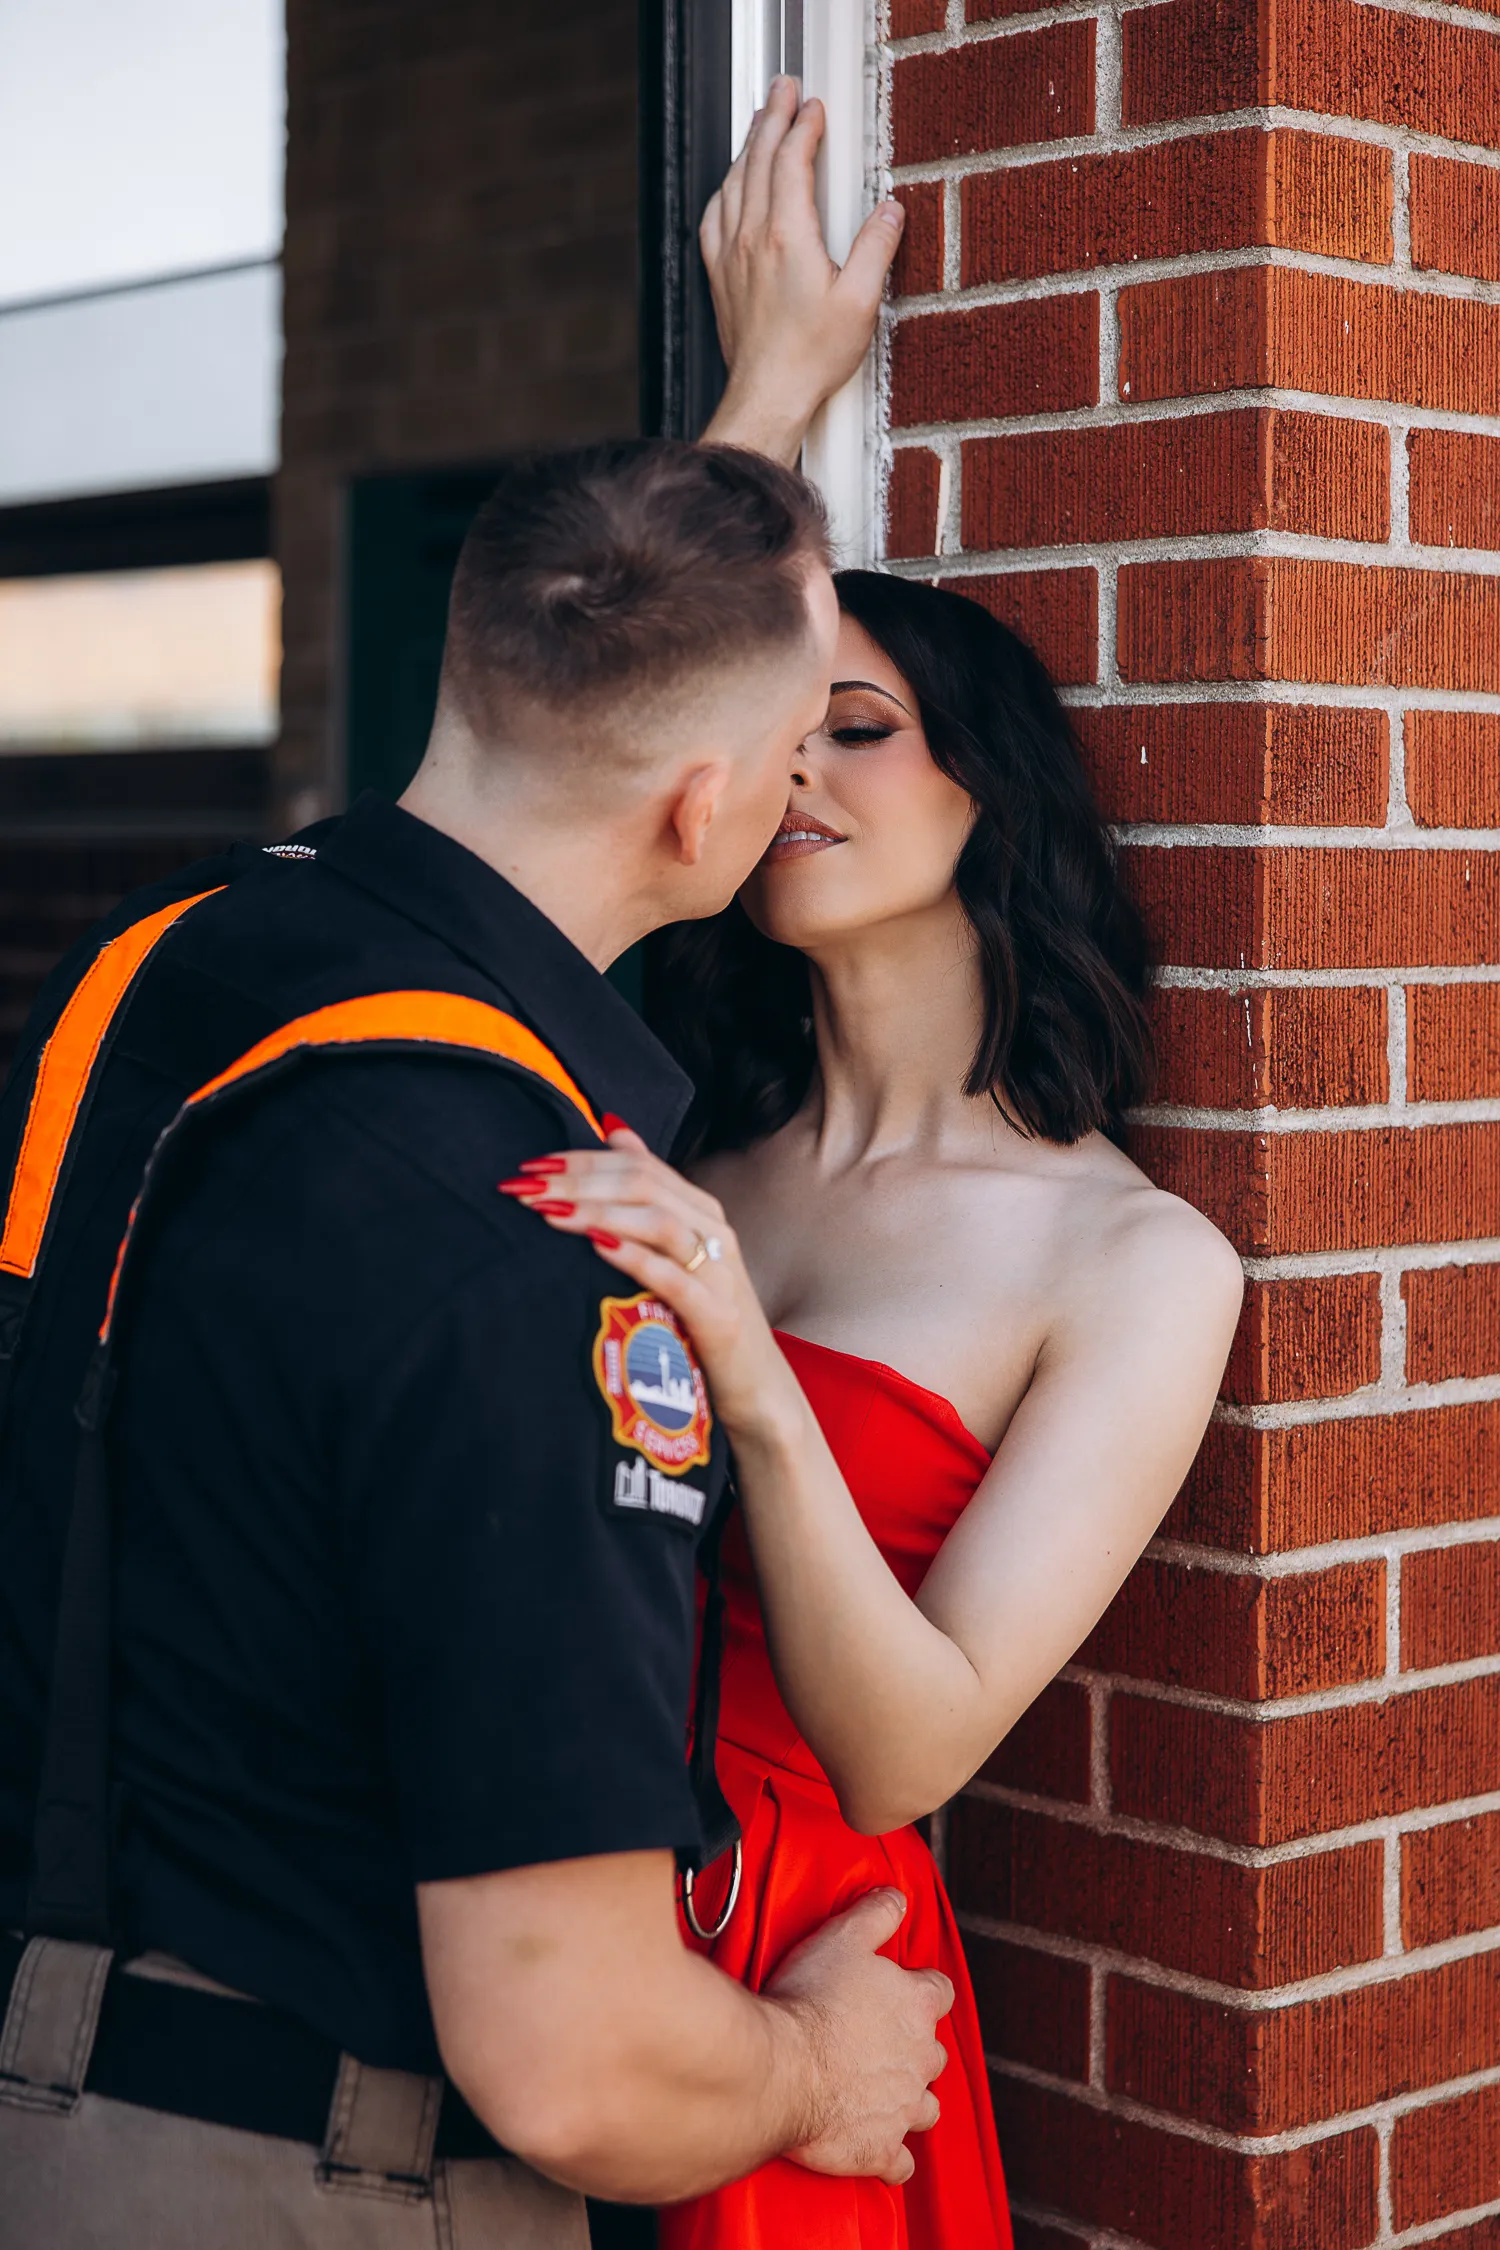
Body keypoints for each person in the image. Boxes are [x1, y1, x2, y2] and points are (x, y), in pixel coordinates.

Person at [0, 84, 949, 2248]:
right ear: (713, 821)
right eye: (807, 746)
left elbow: (626, 671)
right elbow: (579, 2057)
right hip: (298, 2177)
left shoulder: (168, 966)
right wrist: (821, 2068)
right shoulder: (545, 1244)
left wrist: (769, 409)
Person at [505, 93, 1247, 2250]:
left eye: (860, 727)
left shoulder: (1131, 1255)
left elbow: (916, 1748)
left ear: (986, 802)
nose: (795, 774)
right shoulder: (676, 1130)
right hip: (545, 1900)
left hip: (816, 1974)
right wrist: (764, 412)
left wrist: (743, 1358)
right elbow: (510, 833)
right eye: (775, 731)